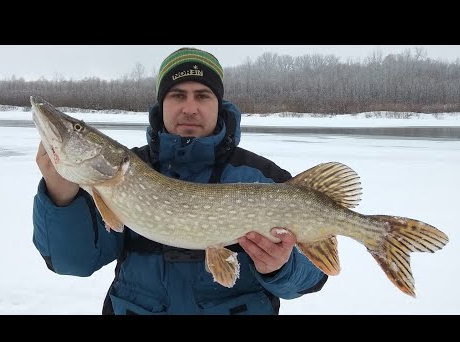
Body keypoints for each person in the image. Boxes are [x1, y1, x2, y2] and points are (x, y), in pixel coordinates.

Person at [32, 47, 328, 315]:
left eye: (202, 95)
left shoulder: (264, 178)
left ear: (218, 104)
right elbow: (74, 262)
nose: (189, 108)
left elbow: (313, 274)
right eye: (177, 95)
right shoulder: (119, 179)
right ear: (162, 104)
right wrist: (61, 197)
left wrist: (281, 267)